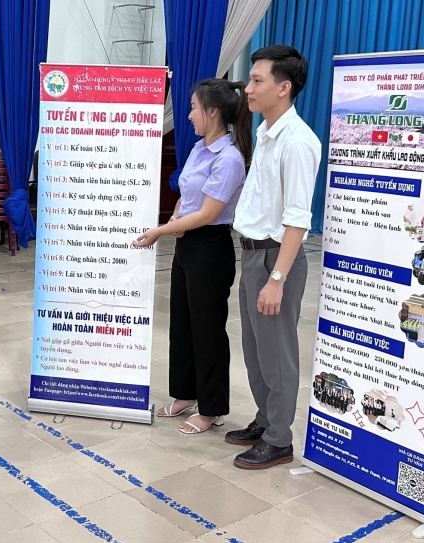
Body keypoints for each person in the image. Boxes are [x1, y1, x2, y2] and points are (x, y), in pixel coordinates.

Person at [133, 79, 250, 434]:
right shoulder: (200, 148)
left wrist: (161, 231)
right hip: (186, 242)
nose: (189, 115)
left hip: (210, 247)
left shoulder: (229, 158)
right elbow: (187, 193)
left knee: (207, 329)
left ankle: (211, 407)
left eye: (194, 108)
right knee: (182, 323)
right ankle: (185, 394)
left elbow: (209, 213)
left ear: (212, 112)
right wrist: (174, 219)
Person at [225, 45, 322, 470]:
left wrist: (277, 278)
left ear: (283, 87)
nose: (247, 88)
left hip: (276, 259)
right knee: (255, 348)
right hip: (252, 255)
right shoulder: (266, 133)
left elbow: (298, 219)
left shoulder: (297, 143)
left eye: (257, 80)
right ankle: (266, 420)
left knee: (277, 352)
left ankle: (280, 439)